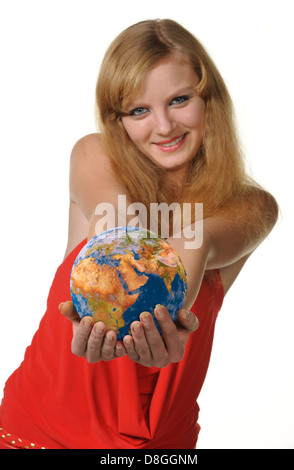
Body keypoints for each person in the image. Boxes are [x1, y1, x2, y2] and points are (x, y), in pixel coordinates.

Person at [0, 19, 278, 449]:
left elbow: (195, 243)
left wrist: (149, 322)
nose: (164, 126)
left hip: (162, 442)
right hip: (40, 431)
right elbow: (121, 233)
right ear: (119, 119)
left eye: (180, 99)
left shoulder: (250, 207)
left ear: (210, 101)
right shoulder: (95, 155)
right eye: (139, 110)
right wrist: (126, 309)